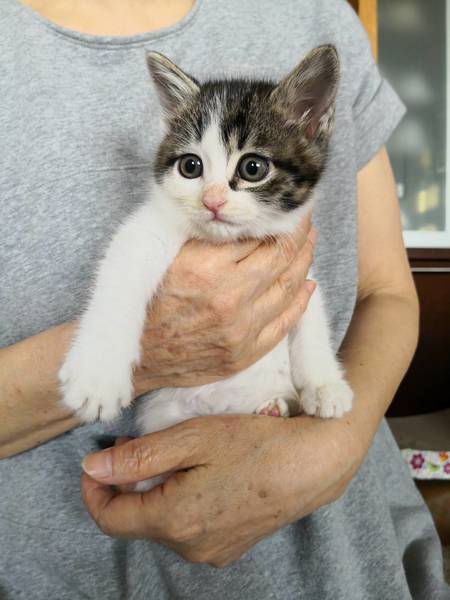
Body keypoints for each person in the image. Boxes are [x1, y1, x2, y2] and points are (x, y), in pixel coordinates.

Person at [0, 0, 448, 598]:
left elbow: (382, 292)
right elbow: (132, 258)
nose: (214, 197)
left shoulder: (311, 11)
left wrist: (332, 445)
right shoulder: (166, 218)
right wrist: (131, 352)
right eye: (192, 166)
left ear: (311, 125)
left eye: (250, 168)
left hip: (343, 559)